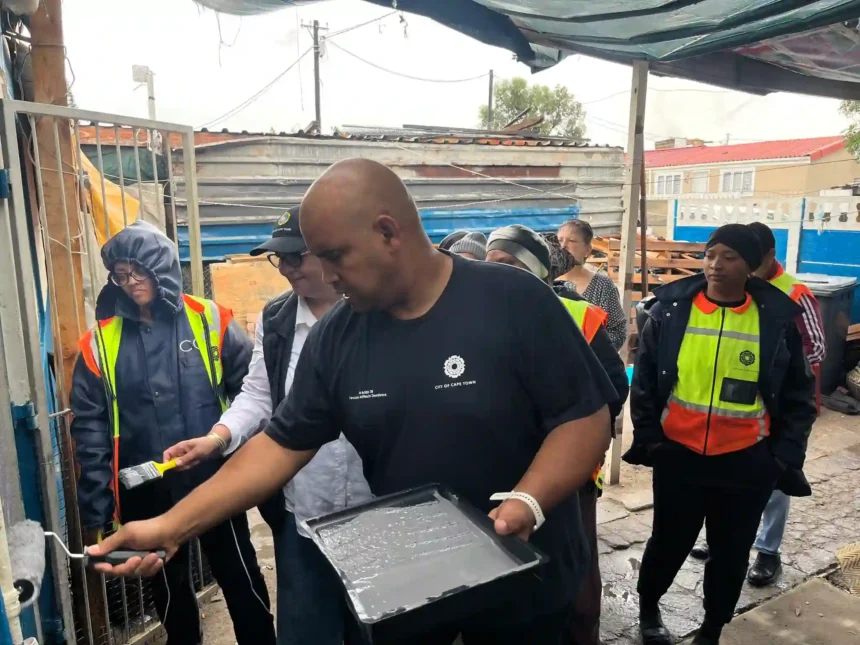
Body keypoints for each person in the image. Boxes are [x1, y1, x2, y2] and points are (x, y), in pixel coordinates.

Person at [90, 158, 619, 645]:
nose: (325, 273)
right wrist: (170, 526)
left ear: (388, 231)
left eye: (334, 255)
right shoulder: (338, 337)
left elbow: (585, 416)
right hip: (412, 590)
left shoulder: (514, 301)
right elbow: (279, 444)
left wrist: (528, 499)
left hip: (525, 589)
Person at [163, 207, 372, 644]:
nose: (288, 269)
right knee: (305, 630)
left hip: (377, 505)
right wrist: (216, 439)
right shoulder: (276, 320)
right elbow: (258, 394)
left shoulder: (374, 311)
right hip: (305, 510)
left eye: (297, 257)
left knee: (374, 627)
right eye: (280, 259)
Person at [70, 221, 276, 645]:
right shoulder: (98, 343)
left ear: (161, 267)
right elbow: (89, 432)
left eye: (138, 272)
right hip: (146, 492)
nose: (130, 284)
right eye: (121, 275)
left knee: (242, 583)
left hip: (215, 482)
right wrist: (98, 511)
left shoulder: (209, 319)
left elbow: (252, 393)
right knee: (169, 596)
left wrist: (251, 466)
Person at [625, 224, 816, 645]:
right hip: (680, 456)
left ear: (751, 265)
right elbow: (644, 386)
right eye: (711, 254)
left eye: (729, 256)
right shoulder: (670, 312)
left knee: (731, 553)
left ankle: (712, 628)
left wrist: (780, 457)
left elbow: (800, 396)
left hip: (748, 462)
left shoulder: (776, 320)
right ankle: (649, 609)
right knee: (668, 544)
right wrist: (653, 441)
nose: (716, 264)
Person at [487, 225, 628, 645]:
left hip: (568, 479)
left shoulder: (576, 313)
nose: (496, 274)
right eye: (490, 265)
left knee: (576, 582)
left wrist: (567, 441)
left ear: (537, 270)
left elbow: (613, 389)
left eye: (509, 264)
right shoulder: (481, 318)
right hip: (505, 476)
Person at [690, 222, 825, 588]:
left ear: (766, 256)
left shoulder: (794, 293)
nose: (727, 265)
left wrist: (777, 373)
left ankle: (768, 551)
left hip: (779, 409)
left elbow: (816, 349)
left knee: (776, 482)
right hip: (731, 412)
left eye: (739, 258)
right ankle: (720, 537)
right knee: (726, 481)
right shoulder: (725, 290)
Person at [557, 219, 627, 350]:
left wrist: (591, 352)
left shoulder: (602, 285)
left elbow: (618, 331)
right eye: (560, 240)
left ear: (587, 250)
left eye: (572, 241)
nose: (563, 246)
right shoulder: (545, 282)